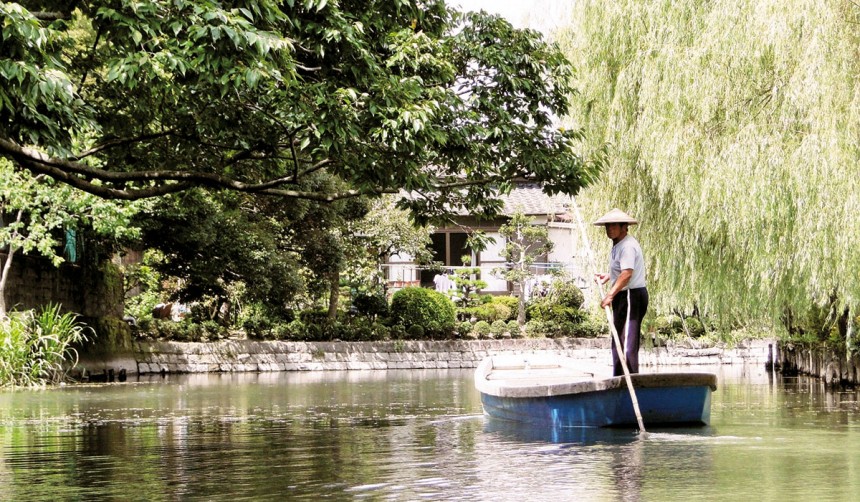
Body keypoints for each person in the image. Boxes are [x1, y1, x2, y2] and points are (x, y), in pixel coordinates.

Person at [593, 208, 648, 377]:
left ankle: (630, 378)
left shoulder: (627, 246)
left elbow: (627, 274)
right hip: (623, 295)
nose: (610, 229)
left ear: (624, 227)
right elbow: (621, 271)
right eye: (608, 226)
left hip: (631, 295)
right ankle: (620, 377)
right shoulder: (618, 245)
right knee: (618, 338)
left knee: (627, 342)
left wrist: (610, 294)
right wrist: (609, 276)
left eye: (614, 225)